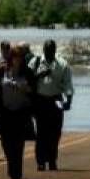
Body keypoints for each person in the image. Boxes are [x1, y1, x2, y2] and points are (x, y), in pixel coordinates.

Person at [0, 46, 36, 179]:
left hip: (21, 111)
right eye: (15, 57)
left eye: (20, 57)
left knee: (18, 143)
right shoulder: (3, 71)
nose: (17, 59)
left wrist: (25, 88)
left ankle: (17, 172)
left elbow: (34, 90)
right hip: (4, 112)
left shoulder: (27, 72)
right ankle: (11, 165)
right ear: (10, 58)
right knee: (6, 143)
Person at [29, 39, 73, 171]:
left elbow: (68, 84)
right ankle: (41, 161)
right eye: (46, 51)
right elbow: (27, 80)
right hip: (40, 100)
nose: (49, 53)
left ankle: (52, 160)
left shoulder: (62, 64)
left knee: (55, 132)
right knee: (42, 132)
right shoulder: (35, 62)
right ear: (43, 50)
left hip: (56, 100)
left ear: (55, 50)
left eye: (51, 51)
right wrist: (39, 75)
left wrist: (69, 100)